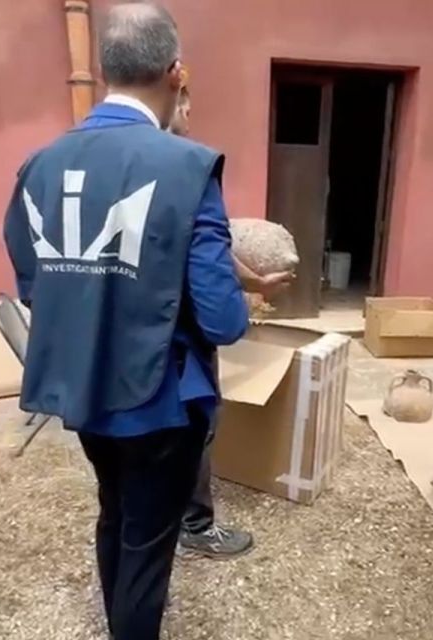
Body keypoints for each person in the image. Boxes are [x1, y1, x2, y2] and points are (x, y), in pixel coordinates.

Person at [3, 4, 242, 640]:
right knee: (146, 539)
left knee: (115, 513)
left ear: (106, 69)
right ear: (176, 73)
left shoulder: (39, 165)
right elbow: (223, 320)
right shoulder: (187, 166)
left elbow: (33, 279)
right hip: (160, 399)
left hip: (83, 390)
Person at [167, 84, 294, 559]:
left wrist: (257, 282)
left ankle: (158, 523)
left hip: (137, 337)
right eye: (185, 103)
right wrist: (237, 307)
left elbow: (211, 246)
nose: (190, 112)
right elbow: (221, 314)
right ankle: (195, 526)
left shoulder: (118, 169)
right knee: (196, 424)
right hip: (182, 337)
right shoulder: (188, 170)